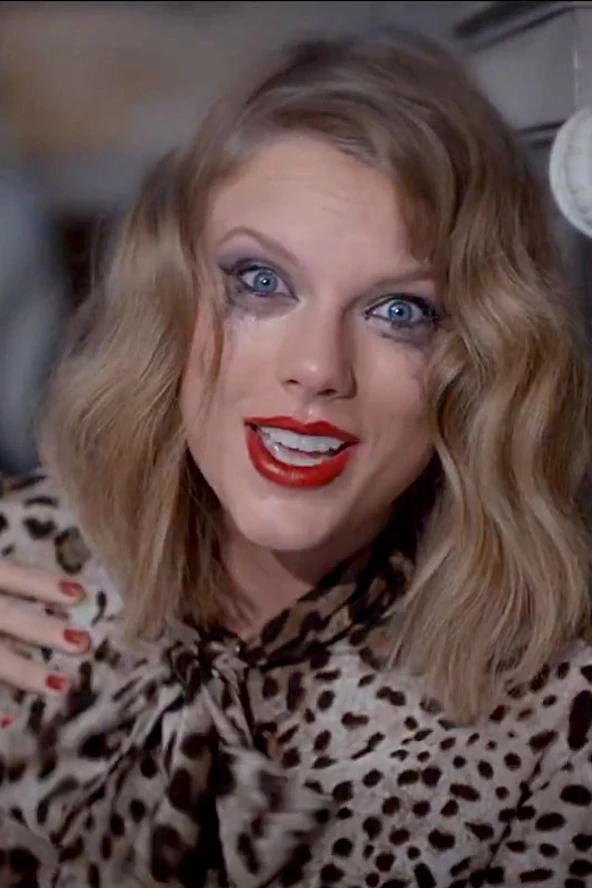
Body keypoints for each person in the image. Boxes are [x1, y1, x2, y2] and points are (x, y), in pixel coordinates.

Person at [0, 30, 591, 888]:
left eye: (399, 312)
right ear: (172, 302)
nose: (317, 368)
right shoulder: (21, 572)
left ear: (480, 362)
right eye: (261, 283)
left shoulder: (555, 716)